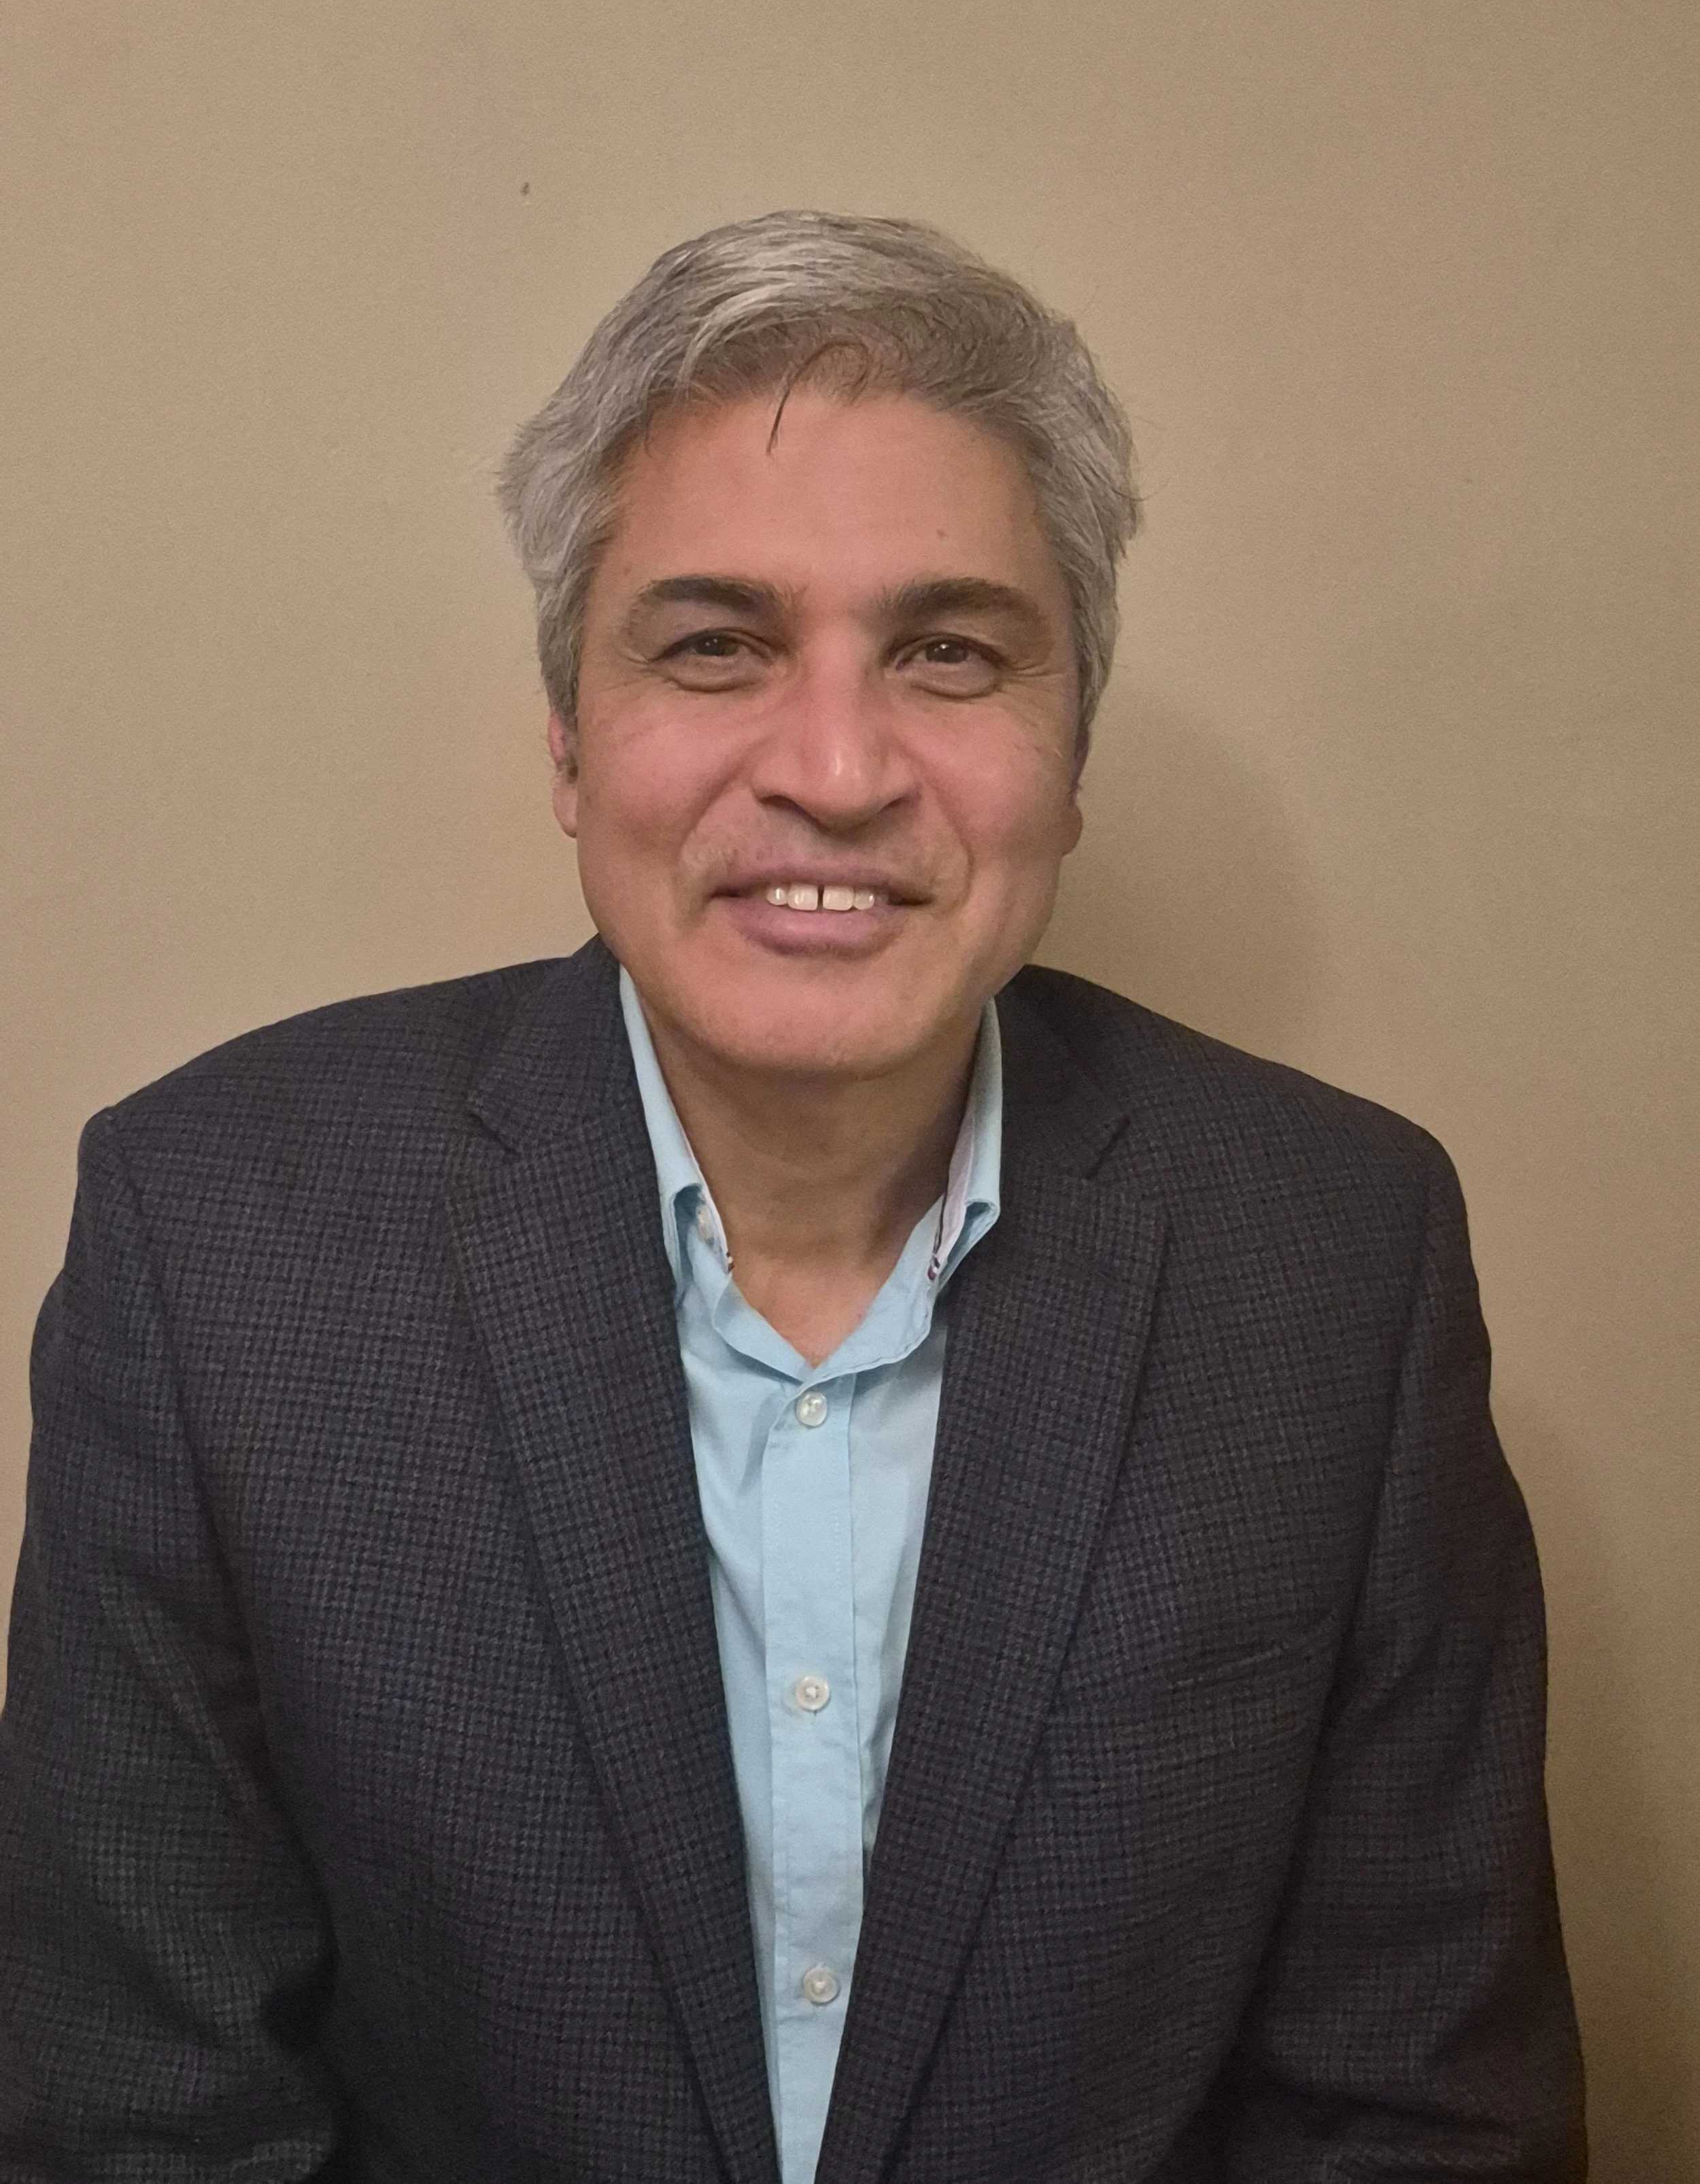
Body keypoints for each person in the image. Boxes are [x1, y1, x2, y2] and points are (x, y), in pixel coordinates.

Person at [0, 211, 1584, 2181]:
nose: (834, 765)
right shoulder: (212, 1241)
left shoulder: (1340, 1264)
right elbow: (141, 2127)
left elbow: (1421, 2119)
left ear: (1067, 747)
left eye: (947, 650)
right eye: (713, 643)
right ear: (572, 740)